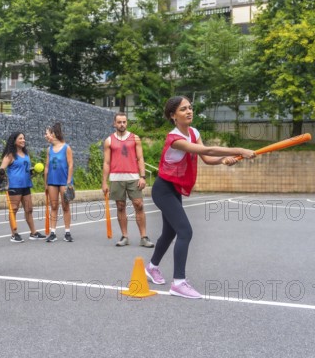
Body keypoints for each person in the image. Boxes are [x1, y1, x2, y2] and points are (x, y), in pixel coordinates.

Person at [144, 96, 256, 299]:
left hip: (174, 189)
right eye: (183, 109)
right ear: (173, 116)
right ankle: (179, 283)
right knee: (185, 230)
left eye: (190, 108)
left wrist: (223, 160)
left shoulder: (194, 133)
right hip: (163, 189)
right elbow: (206, 149)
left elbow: (207, 158)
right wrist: (239, 149)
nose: (189, 111)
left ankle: (151, 267)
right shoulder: (174, 139)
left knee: (170, 233)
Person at [102, 112, 154, 248]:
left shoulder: (135, 138)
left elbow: (140, 158)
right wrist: (104, 182)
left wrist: (142, 177)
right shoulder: (109, 140)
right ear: (114, 124)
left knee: (139, 205)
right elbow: (106, 163)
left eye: (124, 122)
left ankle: (143, 237)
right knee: (120, 207)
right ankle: (125, 236)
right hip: (116, 178)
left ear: (127, 123)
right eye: (119, 122)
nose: (122, 124)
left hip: (133, 177)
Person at [0, 132, 46, 242]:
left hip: (26, 184)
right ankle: (14, 234)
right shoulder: (10, 154)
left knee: (29, 209)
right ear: (14, 141)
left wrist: (32, 171)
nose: (23, 140)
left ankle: (33, 233)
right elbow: (1, 170)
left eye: (24, 138)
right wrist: (1, 181)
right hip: (15, 185)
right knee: (14, 209)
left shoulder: (26, 154)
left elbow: (25, 170)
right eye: (20, 138)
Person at [44, 123, 74, 242]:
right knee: (54, 206)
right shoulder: (49, 149)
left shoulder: (66, 147)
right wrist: (45, 183)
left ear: (54, 134)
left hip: (64, 181)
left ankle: (67, 232)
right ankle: (53, 233)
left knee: (65, 206)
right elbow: (47, 167)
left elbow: (71, 165)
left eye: (47, 133)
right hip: (52, 181)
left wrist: (68, 182)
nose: (45, 136)